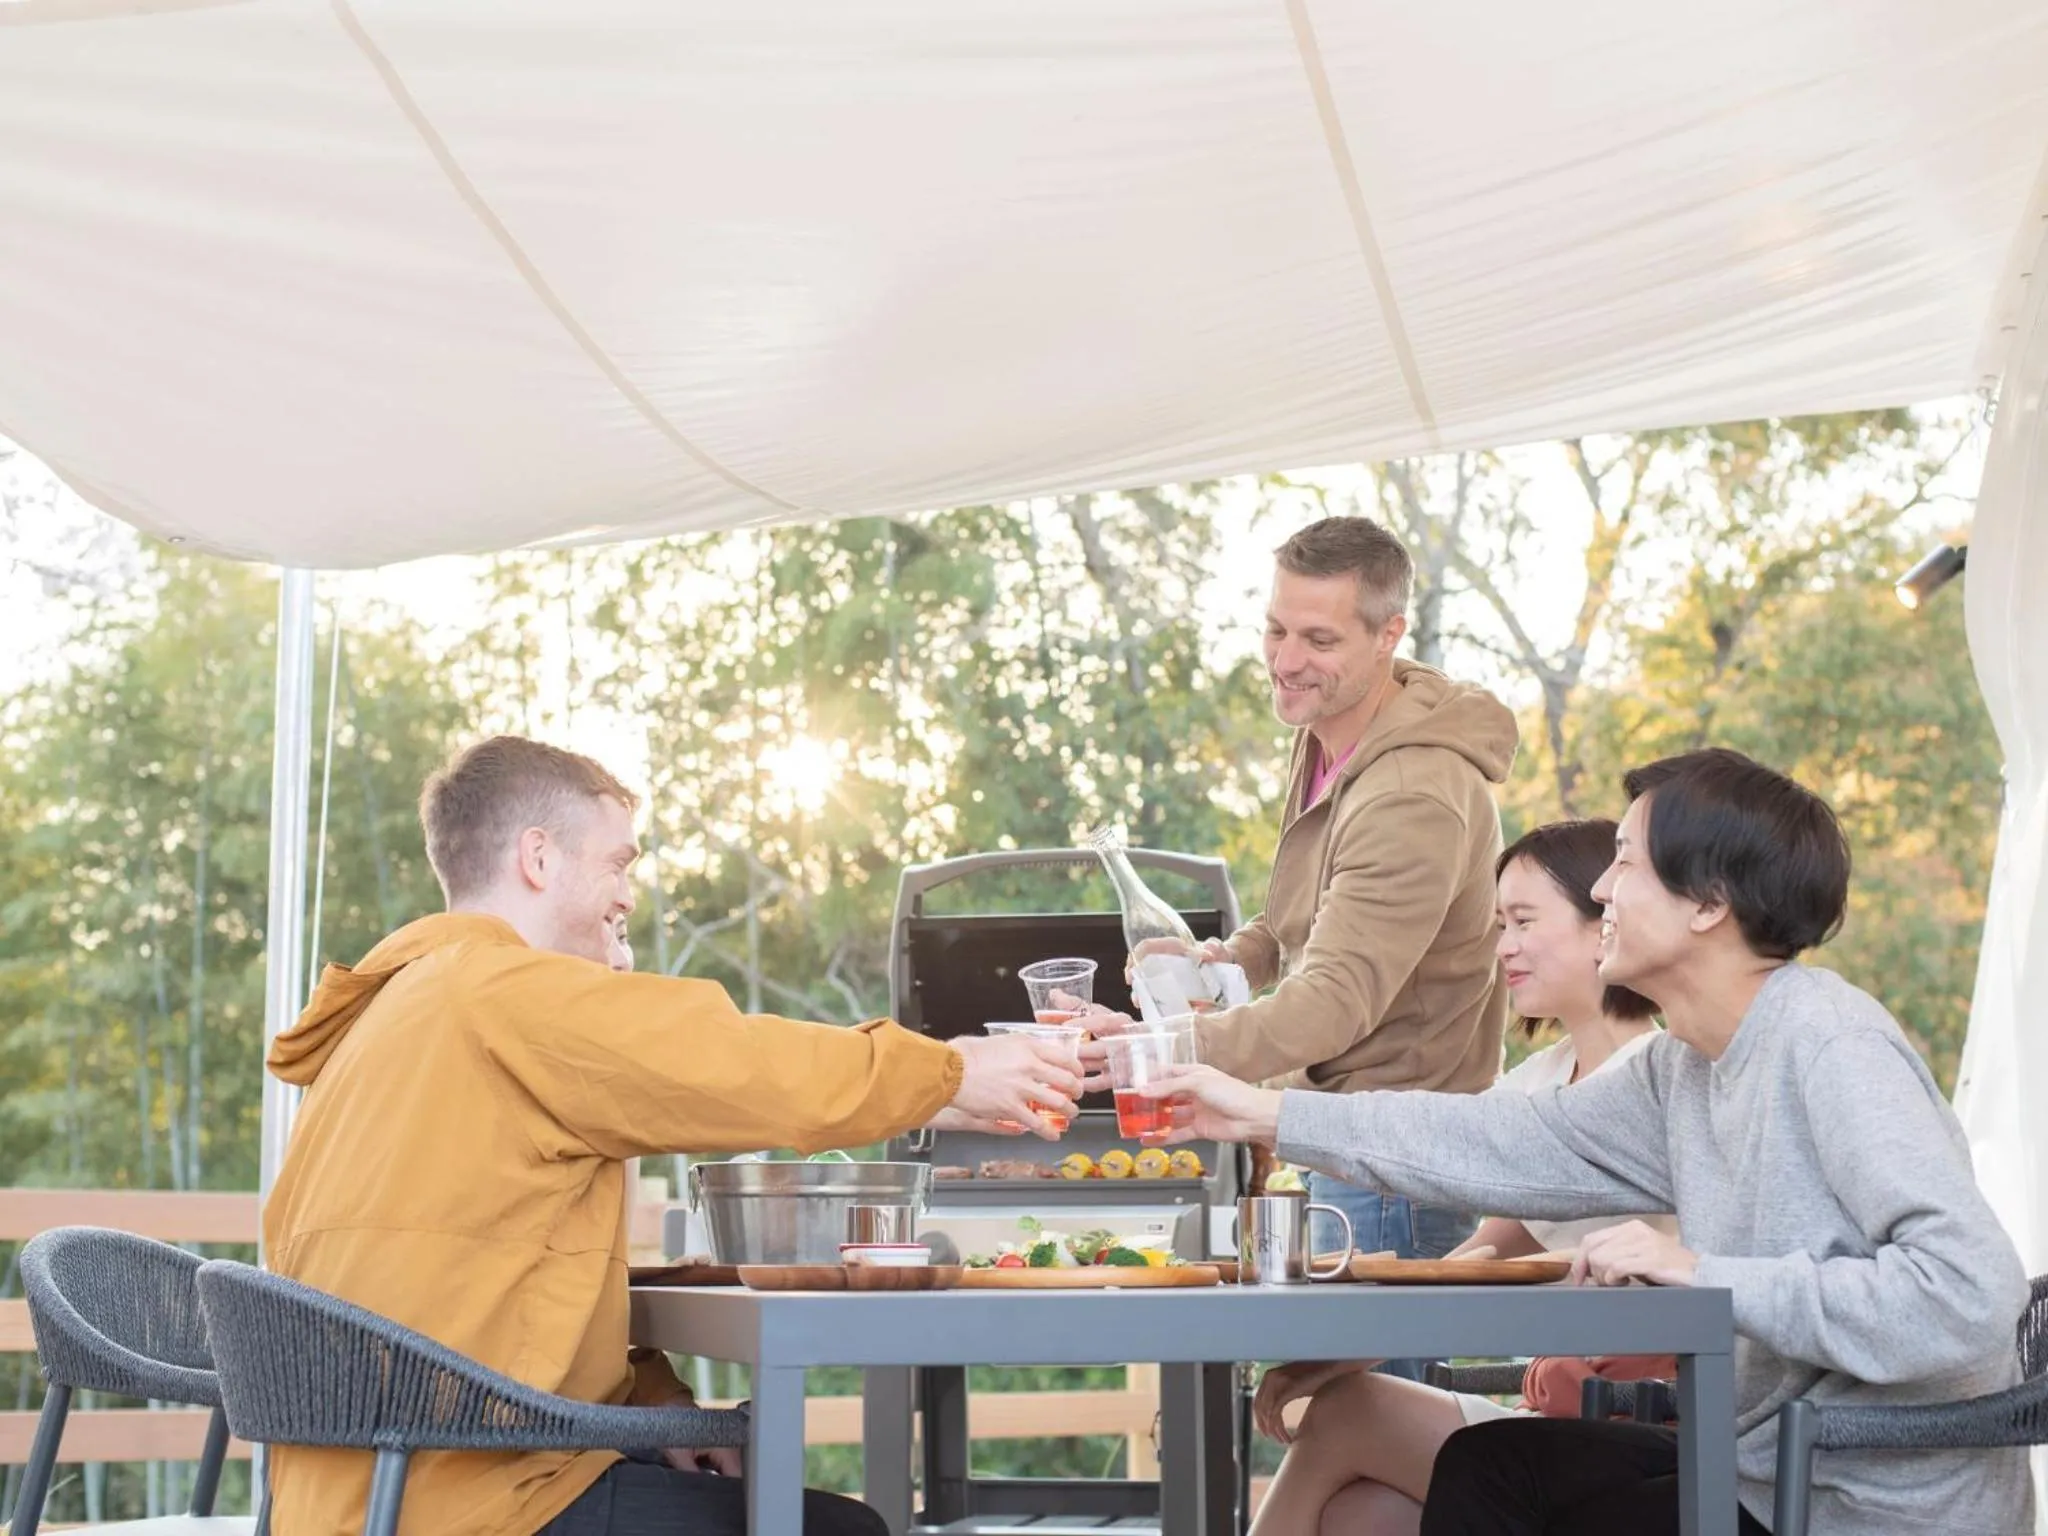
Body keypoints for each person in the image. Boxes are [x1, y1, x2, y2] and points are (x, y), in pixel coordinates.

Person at [1136, 749, 2032, 1536]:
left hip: (1858, 1502)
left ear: (1709, 903)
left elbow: (1968, 1295)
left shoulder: (1830, 1046)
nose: (1601, 888)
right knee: (1482, 1471)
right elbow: (1497, 1141)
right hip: (1762, 1471)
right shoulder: (1684, 1067)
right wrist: (1262, 1113)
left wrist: (1709, 1274)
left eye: (1627, 867)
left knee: (1490, 1482)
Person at [263, 736, 1081, 1536]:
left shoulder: (395, 1013)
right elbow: (734, 1062)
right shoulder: (504, 995)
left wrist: (658, 1405)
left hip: (362, 1492)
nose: (629, 895)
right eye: (618, 864)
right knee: (845, 1529)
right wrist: (949, 1073)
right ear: (538, 859)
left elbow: (488, 1284)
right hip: (471, 1497)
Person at [1123, 515, 1518, 1371]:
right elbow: (1308, 915)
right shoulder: (1332, 734)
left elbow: (1334, 1002)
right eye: (1274, 629)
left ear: (1388, 637)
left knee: (1386, 1435)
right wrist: (1239, 957)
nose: (1285, 660)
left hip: (1396, 1170)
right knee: (1346, 1426)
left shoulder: (1412, 792)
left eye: (1318, 638)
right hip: (1340, 1142)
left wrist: (1153, 1048)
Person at [1248, 819, 1671, 1536]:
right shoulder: (1538, 1080)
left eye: (1524, 921)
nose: (1503, 945)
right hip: (1556, 1414)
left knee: (1351, 1410)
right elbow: (1477, 1263)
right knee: (1361, 1515)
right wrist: (1334, 1359)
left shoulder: (1660, 1080)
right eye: (1499, 922)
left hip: (1642, 1424)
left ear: (1606, 919)